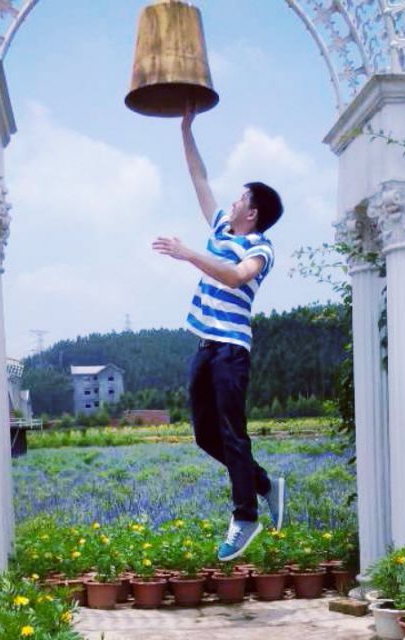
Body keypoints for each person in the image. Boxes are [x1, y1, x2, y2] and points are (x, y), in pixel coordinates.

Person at [152, 106, 285, 561]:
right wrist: (185, 129)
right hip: (205, 346)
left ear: (253, 211)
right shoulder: (221, 228)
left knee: (232, 433)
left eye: (240, 199)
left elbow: (235, 276)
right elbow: (199, 177)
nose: (231, 202)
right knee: (205, 435)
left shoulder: (260, 247)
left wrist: (188, 253)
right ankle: (265, 484)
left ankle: (245, 516)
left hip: (231, 350)